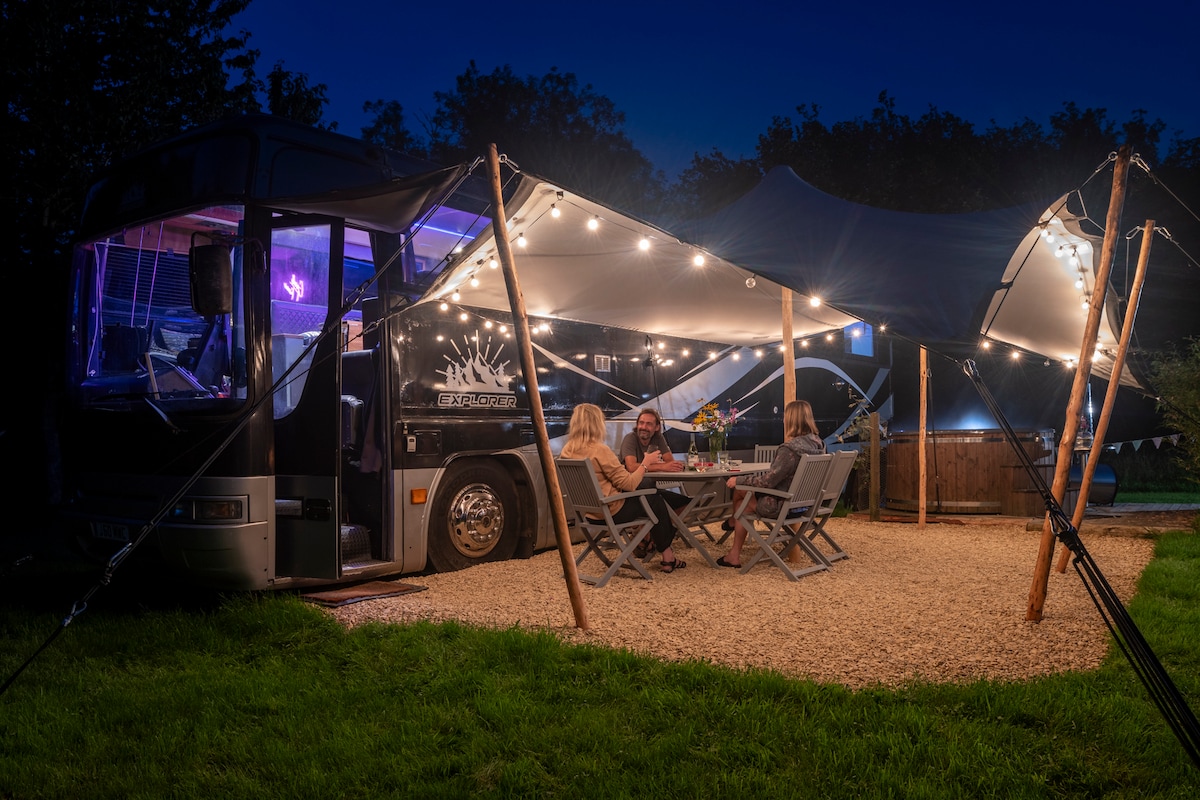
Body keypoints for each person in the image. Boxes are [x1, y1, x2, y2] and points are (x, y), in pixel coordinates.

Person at [561, 403, 686, 573]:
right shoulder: (600, 450)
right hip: (612, 512)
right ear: (597, 424)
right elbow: (629, 484)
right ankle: (667, 554)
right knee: (654, 498)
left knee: (652, 493)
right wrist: (646, 463)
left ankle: (653, 544)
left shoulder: (567, 451)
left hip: (590, 514)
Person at [716, 399, 826, 569]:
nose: (783, 419)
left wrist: (739, 479)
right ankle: (733, 546)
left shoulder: (789, 450)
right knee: (741, 500)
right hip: (805, 506)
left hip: (782, 505)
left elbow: (767, 482)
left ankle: (734, 551)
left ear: (791, 420)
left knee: (740, 498)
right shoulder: (819, 445)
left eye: (785, 416)